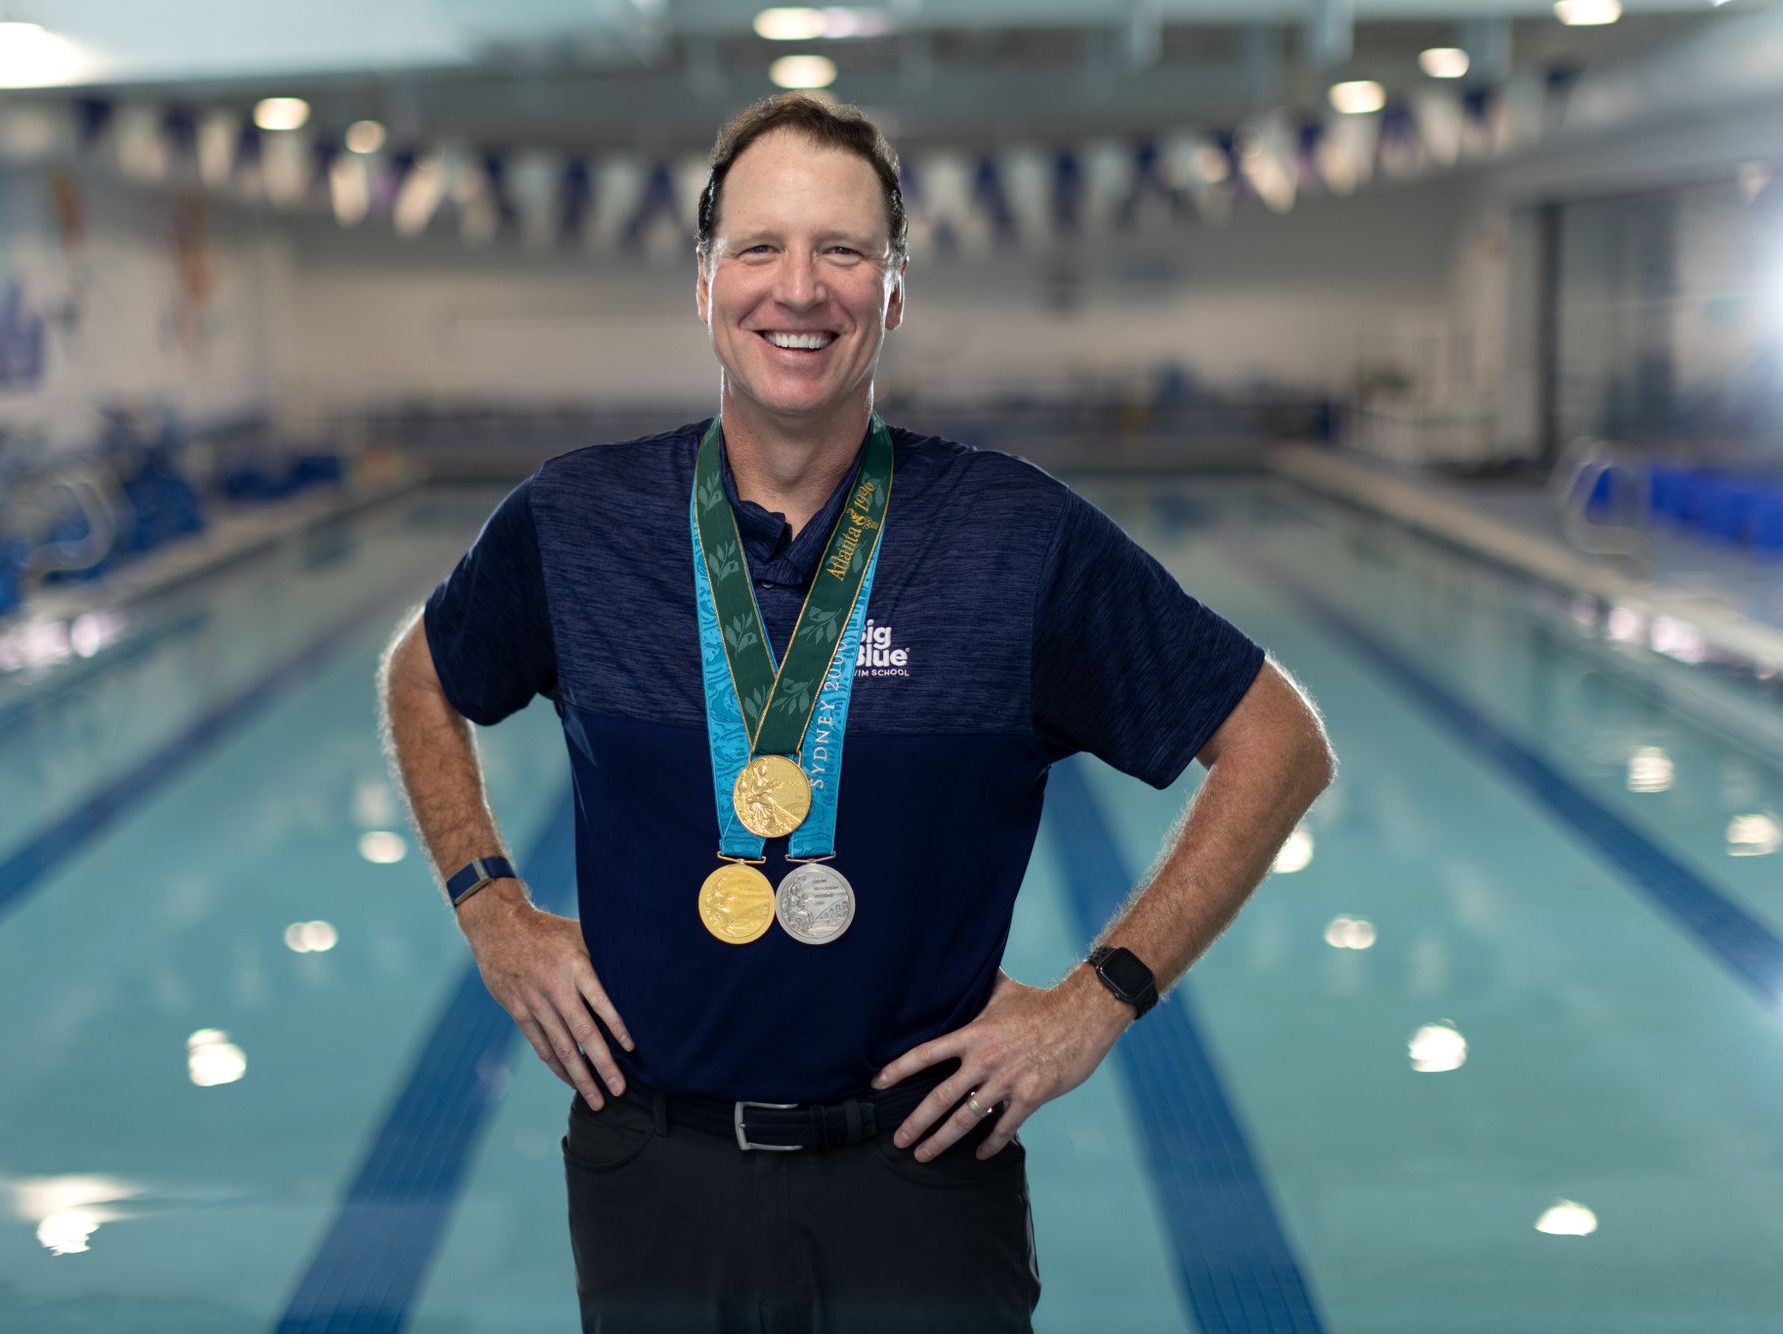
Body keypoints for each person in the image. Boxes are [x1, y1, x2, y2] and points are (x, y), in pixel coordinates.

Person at [379, 93, 1336, 1333]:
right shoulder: (578, 519)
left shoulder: (1012, 535)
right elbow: (423, 674)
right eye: (759, 248)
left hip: (921, 1178)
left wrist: (1092, 1001)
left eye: (842, 251)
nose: (799, 288)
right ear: (706, 283)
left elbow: (1276, 743)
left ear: (891, 293)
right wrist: (490, 905)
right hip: (652, 1169)